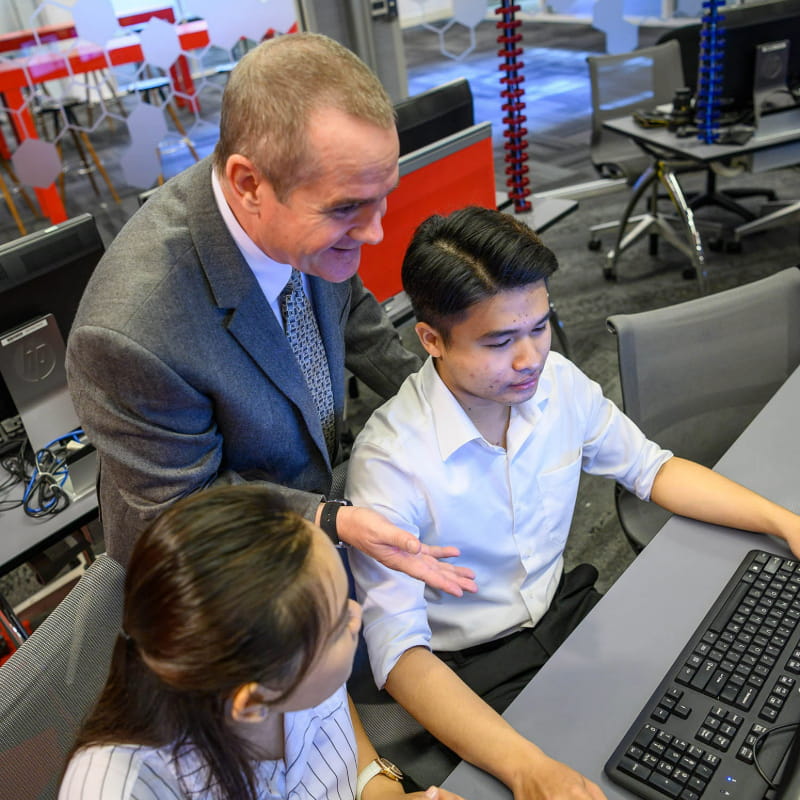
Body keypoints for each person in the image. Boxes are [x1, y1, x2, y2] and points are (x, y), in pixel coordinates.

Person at [345, 205, 800, 800]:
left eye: (538, 327)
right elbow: (400, 656)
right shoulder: (390, 463)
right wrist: (528, 769)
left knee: (725, 702)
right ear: (431, 339)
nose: (530, 357)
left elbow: (652, 469)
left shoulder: (555, 382)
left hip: (571, 609)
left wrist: (784, 522)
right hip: (472, 666)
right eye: (500, 341)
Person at [65, 33, 475, 597]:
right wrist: (329, 519)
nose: (375, 232)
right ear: (248, 184)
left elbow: (347, 308)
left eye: (382, 197)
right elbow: (184, 512)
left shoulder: (304, 210)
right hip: (219, 567)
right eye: (347, 208)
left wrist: (448, 403)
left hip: (319, 493)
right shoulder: (131, 333)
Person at [59, 484, 469, 800]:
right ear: (253, 702)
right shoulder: (123, 787)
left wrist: (383, 791)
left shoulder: (281, 663)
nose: (356, 616)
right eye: (335, 626)